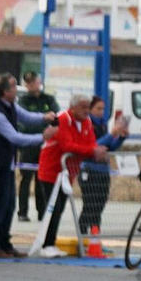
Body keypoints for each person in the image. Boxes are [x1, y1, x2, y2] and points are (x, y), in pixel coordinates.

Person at [0, 73, 56, 258]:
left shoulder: (10, 106)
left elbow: (27, 117)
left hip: (6, 161)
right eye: (13, 87)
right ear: (5, 91)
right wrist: (41, 138)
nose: (16, 89)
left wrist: (44, 117)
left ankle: (5, 242)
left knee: (10, 204)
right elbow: (14, 137)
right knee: (0, 203)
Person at [34, 94, 104, 257]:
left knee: (60, 208)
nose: (87, 111)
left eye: (88, 107)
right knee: (53, 208)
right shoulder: (62, 119)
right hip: (51, 170)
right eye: (83, 107)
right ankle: (46, 244)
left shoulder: (87, 122)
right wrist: (91, 151)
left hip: (68, 172)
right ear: (73, 108)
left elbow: (90, 142)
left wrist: (95, 150)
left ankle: (50, 242)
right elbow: (67, 145)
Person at [78, 97, 129, 237]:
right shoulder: (86, 124)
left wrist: (120, 137)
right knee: (90, 204)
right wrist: (110, 135)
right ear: (90, 109)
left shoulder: (103, 125)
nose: (101, 112)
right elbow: (92, 146)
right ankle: (82, 233)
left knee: (100, 204)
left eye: (103, 109)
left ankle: (95, 236)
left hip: (103, 169)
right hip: (89, 169)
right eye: (98, 109)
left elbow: (109, 146)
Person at [15, 72, 59, 222]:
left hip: (45, 145)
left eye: (33, 81)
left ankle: (42, 212)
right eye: (28, 82)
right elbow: (25, 122)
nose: (31, 85)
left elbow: (56, 117)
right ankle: (22, 212)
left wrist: (44, 122)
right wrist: (42, 120)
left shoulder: (48, 99)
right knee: (26, 178)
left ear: (39, 82)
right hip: (28, 145)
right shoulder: (23, 100)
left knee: (41, 179)